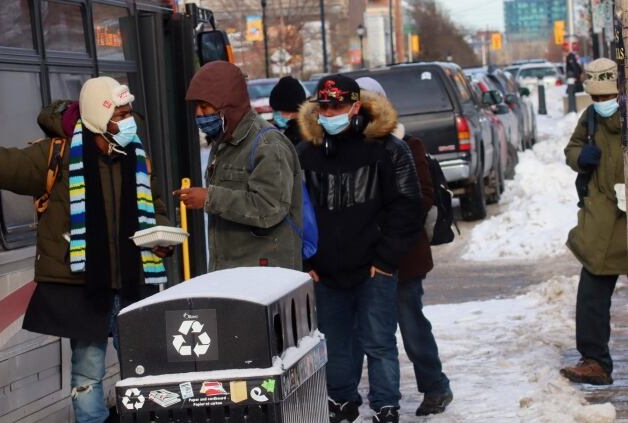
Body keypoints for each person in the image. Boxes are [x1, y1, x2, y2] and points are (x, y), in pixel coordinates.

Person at [0, 77, 174, 423]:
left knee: (145, 370)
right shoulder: (59, 153)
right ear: (99, 117)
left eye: (129, 113)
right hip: (86, 285)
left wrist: (161, 236)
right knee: (87, 372)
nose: (129, 122)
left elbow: (154, 207)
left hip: (133, 282)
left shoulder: (137, 154)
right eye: (120, 115)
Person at [297, 74, 423, 423]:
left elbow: (408, 207)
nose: (330, 112)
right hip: (326, 273)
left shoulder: (387, 150)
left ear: (355, 106)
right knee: (336, 345)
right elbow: (293, 211)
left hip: (373, 269)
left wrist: (385, 259)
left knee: (379, 342)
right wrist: (305, 259)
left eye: (337, 105)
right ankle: (341, 402)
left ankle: (385, 406)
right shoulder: (305, 153)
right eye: (324, 106)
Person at [354, 77, 454, 416]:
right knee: (365, 332)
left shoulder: (408, 145)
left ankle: (435, 386)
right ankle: (359, 397)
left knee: (410, 325)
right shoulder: (348, 148)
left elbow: (423, 198)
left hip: (403, 257)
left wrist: (385, 228)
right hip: (362, 258)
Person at [174, 61, 303, 271]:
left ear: (228, 105)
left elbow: (270, 207)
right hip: (233, 272)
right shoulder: (224, 141)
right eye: (196, 106)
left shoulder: (268, 144)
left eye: (204, 106)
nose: (198, 113)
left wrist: (210, 197)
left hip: (263, 276)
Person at [561, 58, 628, 386]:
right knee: (592, 291)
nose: (601, 103)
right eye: (597, 98)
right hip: (602, 215)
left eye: (607, 97)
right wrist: (579, 158)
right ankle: (595, 361)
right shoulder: (590, 119)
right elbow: (572, 148)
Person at [269, 75, 307, 145]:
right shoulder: (273, 132)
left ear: (296, 111)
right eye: (275, 111)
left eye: (282, 111)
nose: (277, 115)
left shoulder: (306, 136)